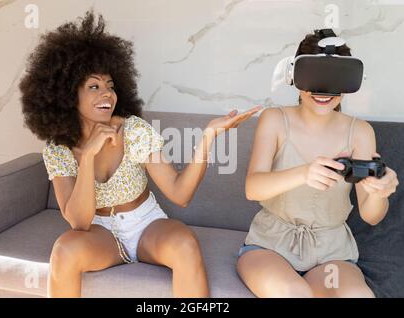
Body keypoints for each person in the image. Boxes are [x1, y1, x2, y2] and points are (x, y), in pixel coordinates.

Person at [19, 10, 260, 297]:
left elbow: (179, 194)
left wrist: (207, 137)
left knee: (185, 244)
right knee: (64, 250)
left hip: (146, 224)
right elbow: (79, 222)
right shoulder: (58, 148)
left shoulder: (133, 130)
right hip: (99, 233)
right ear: (67, 95)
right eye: (94, 86)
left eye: (110, 86)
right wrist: (87, 158)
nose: (107, 94)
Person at [237, 30, 399, 298]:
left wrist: (379, 193)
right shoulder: (275, 120)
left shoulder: (360, 132)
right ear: (294, 77)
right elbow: (253, 188)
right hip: (270, 247)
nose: (324, 91)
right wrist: (304, 173)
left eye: (335, 79)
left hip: (331, 255)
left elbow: (371, 215)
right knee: (293, 293)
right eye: (315, 76)